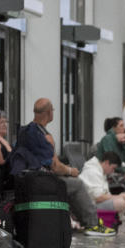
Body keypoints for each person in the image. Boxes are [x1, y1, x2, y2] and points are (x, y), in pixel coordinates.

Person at [11, 98, 115, 235]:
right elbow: (55, 166)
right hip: (41, 182)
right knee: (77, 184)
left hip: (27, 179)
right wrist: (71, 171)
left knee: (69, 184)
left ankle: (78, 221)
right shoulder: (45, 137)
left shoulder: (26, 132)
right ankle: (92, 224)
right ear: (49, 113)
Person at [80, 151, 125, 222]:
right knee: (121, 203)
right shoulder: (93, 172)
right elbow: (98, 198)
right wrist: (119, 196)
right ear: (106, 162)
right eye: (113, 168)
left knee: (122, 201)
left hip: (95, 202)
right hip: (89, 207)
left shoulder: (101, 172)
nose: (113, 171)